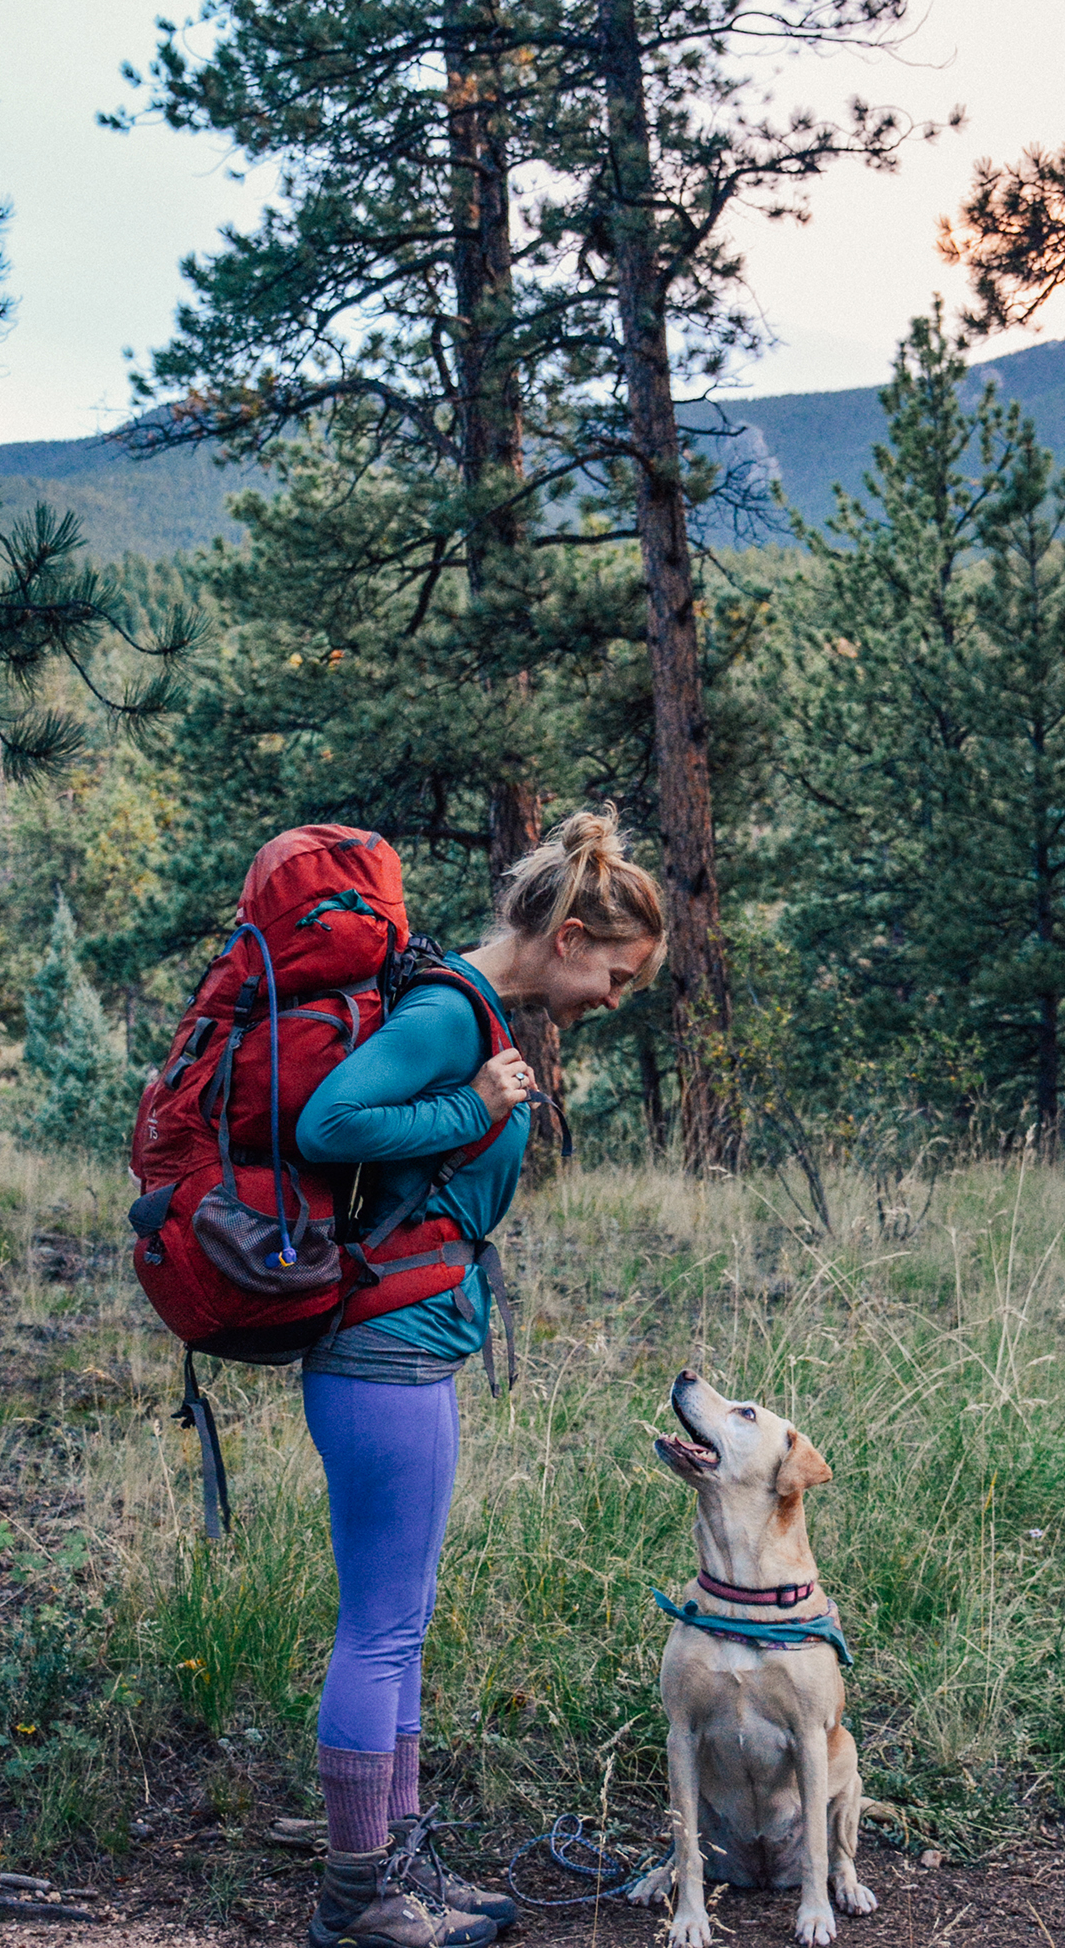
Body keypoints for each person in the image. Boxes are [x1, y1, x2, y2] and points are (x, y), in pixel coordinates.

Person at [289, 806, 666, 1948]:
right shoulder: (452, 1011)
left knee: (401, 1621)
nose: (617, 997)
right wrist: (476, 1104)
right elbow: (327, 1124)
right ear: (570, 937)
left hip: (412, 1341)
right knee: (380, 1628)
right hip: (381, 1347)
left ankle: (397, 1862)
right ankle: (357, 1895)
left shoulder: (475, 1011)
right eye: (619, 972)